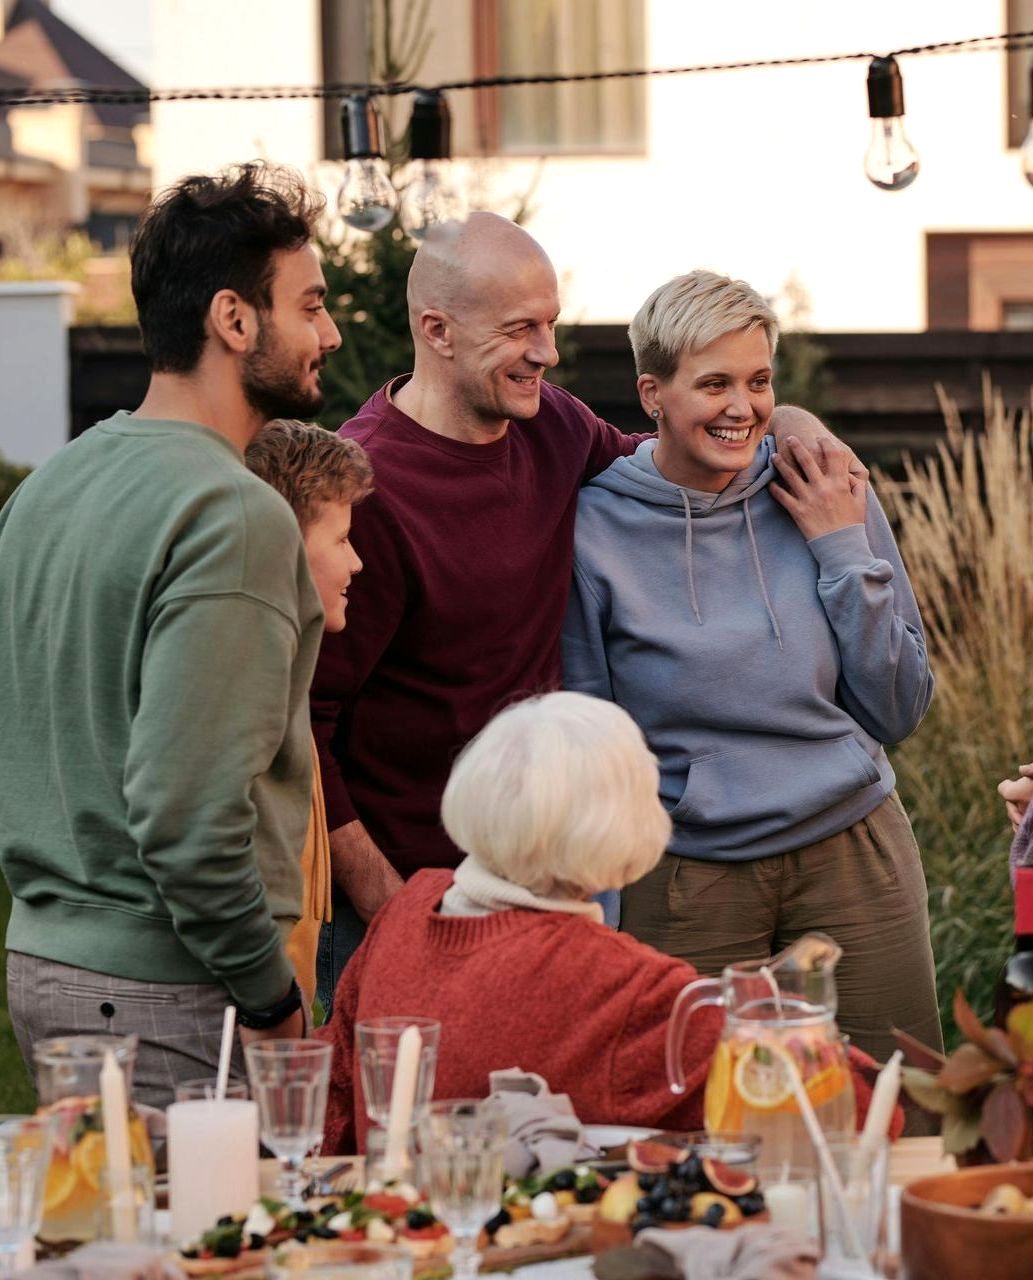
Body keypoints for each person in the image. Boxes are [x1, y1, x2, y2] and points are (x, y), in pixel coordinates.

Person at [311, 211, 855, 1005]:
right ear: (438, 330)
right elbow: (304, 729)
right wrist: (390, 910)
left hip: (552, 887)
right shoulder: (369, 491)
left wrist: (793, 422)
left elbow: (665, 457)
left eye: (552, 324)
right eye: (520, 329)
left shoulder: (550, 425)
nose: (548, 352)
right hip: (412, 898)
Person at [0, 163, 341, 1107]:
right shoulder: (233, 513)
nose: (331, 332)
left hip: (46, 966)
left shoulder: (48, 488)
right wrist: (271, 999)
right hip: (176, 990)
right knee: (205, 1252)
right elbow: (186, 814)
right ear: (233, 321)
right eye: (310, 305)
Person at [561, 269, 942, 1067]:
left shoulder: (820, 482)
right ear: (652, 393)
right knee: (693, 1120)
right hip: (683, 874)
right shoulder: (593, 528)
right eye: (713, 383)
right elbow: (589, 734)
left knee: (900, 1108)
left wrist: (840, 545)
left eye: (758, 381)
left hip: (853, 850)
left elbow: (900, 707)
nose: (742, 407)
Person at [318, 691, 899, 1154]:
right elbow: (861, 1107)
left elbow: (333, 1110)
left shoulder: (405, 913)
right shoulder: (618, 982)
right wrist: (780, 1020)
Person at [244, 420, 372, 1005]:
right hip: (242, 1011)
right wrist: (269, 1003)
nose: (357, 564)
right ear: (285, 544)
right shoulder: (245, 679)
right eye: (342, 539)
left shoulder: (289, 664)